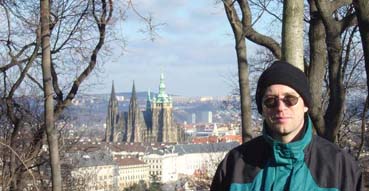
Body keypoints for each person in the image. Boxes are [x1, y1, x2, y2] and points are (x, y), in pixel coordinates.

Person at [210, 61, 363, 191]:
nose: (280, 107)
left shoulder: (339, 166)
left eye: (290, 99)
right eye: (270, 100)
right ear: (262, 108)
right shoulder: (235, 165)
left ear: (305, 105)